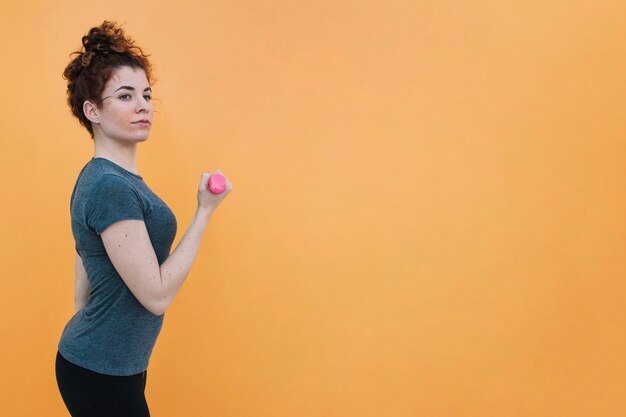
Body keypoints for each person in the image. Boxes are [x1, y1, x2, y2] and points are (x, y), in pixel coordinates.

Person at [55, 21, 233, 417]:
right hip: (99, 370)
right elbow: (155, 297)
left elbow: (84, 255)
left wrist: (100, 323)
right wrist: (204, 211)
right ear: (93, 111)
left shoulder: (106, 178)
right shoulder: (110, 186)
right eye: (125, 95)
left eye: (147, 94)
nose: (143, 105)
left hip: (116, 365)